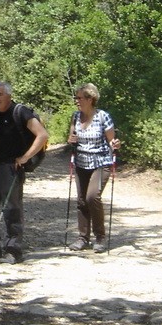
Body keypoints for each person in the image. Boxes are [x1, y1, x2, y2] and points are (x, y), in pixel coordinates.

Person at [0, 81, 49, 264]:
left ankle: (13, 250)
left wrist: (25, 157)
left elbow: (42, 135)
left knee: (12, 210)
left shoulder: (20, 111)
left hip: (9, 168)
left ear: (9, 95)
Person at [66, 83, 119, 253]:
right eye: (76, 98)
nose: (77, 101)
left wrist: (116, 144)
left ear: (90, 99)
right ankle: (83, 238)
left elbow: (111, 141)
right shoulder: (76, 116)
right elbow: (71, 136)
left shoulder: (103, 117)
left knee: (92, 197)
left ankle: (100, 237)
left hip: (101, 162)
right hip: (81, 162)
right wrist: (71, 140)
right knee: (81, 201)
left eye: (80, 98)